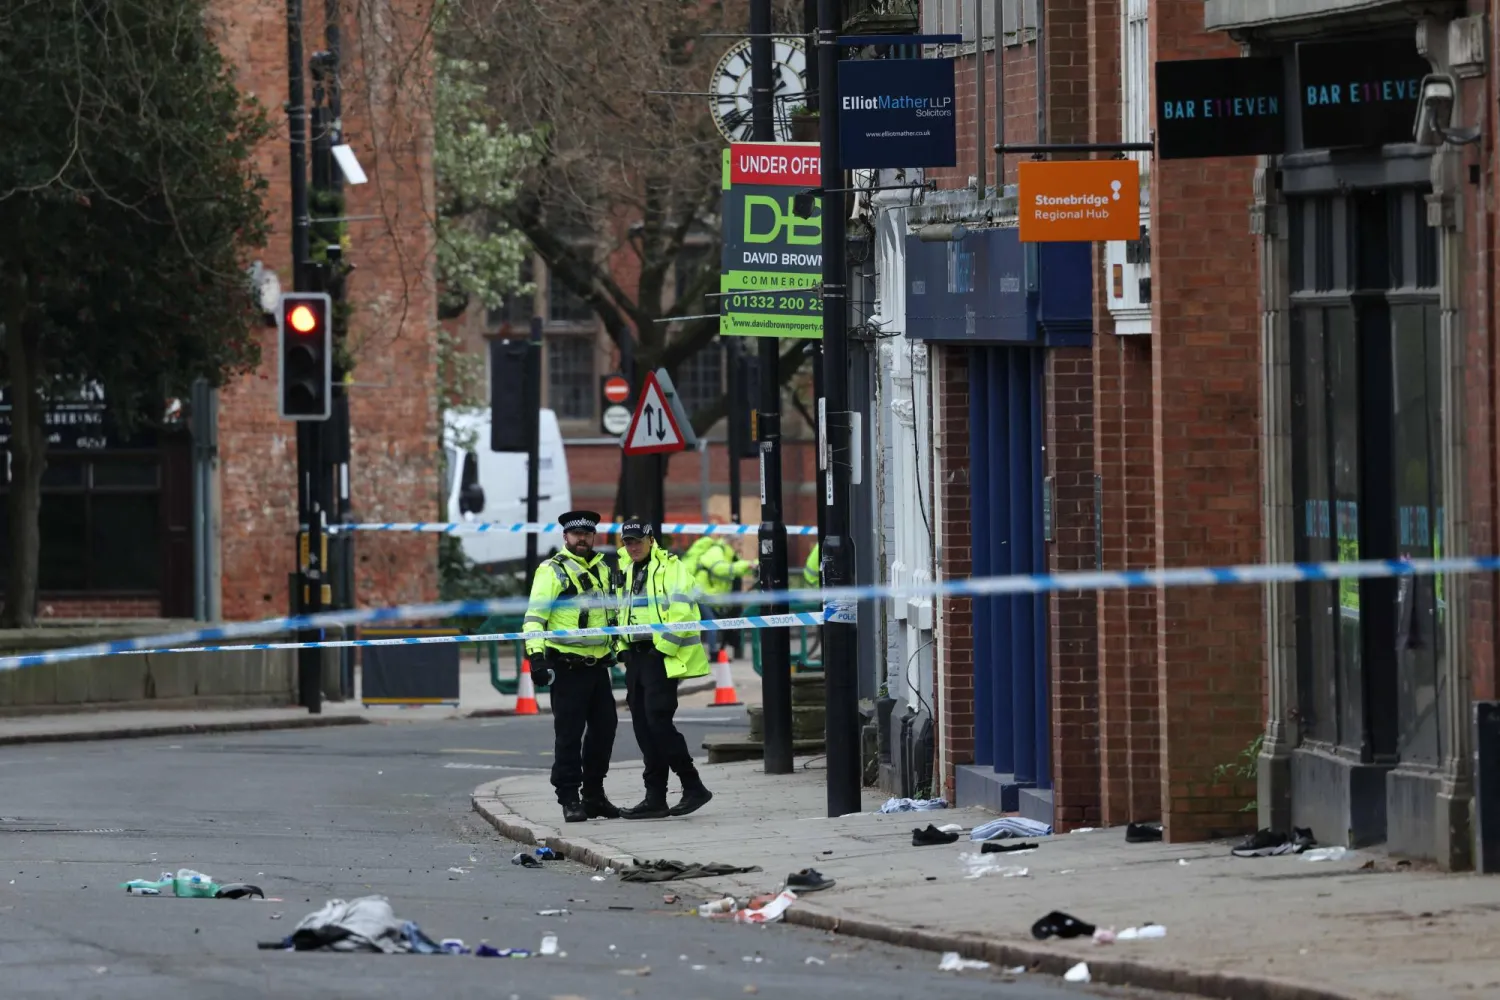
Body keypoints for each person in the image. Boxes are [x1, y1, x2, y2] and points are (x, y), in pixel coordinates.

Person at [523, 510, 621, 824]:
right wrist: (536, 657)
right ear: (565, 537)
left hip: (598, 668)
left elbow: (611, 617)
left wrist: (621, 650)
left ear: (594, 536)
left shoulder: (604, 569)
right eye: (576, 534)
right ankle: (568, 797)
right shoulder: (551, 571)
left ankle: (594, 795)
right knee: (568, 736)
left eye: (587, 534)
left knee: (604, 732)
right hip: (566, 668)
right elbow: (534, 618)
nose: (582, 539)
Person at [613, 516, 714, 819]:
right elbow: (621, 613)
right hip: (636, 657)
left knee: (658, 721)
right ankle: (655, 797)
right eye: (627, 542)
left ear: (651, 539)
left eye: (637, 541)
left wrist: (662, 650)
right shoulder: (626, 570)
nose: (632, 547)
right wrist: (622, 649)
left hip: (661, 657)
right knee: (644, 727)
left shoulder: (671, 567)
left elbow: (683, 612)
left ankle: (693, 785)